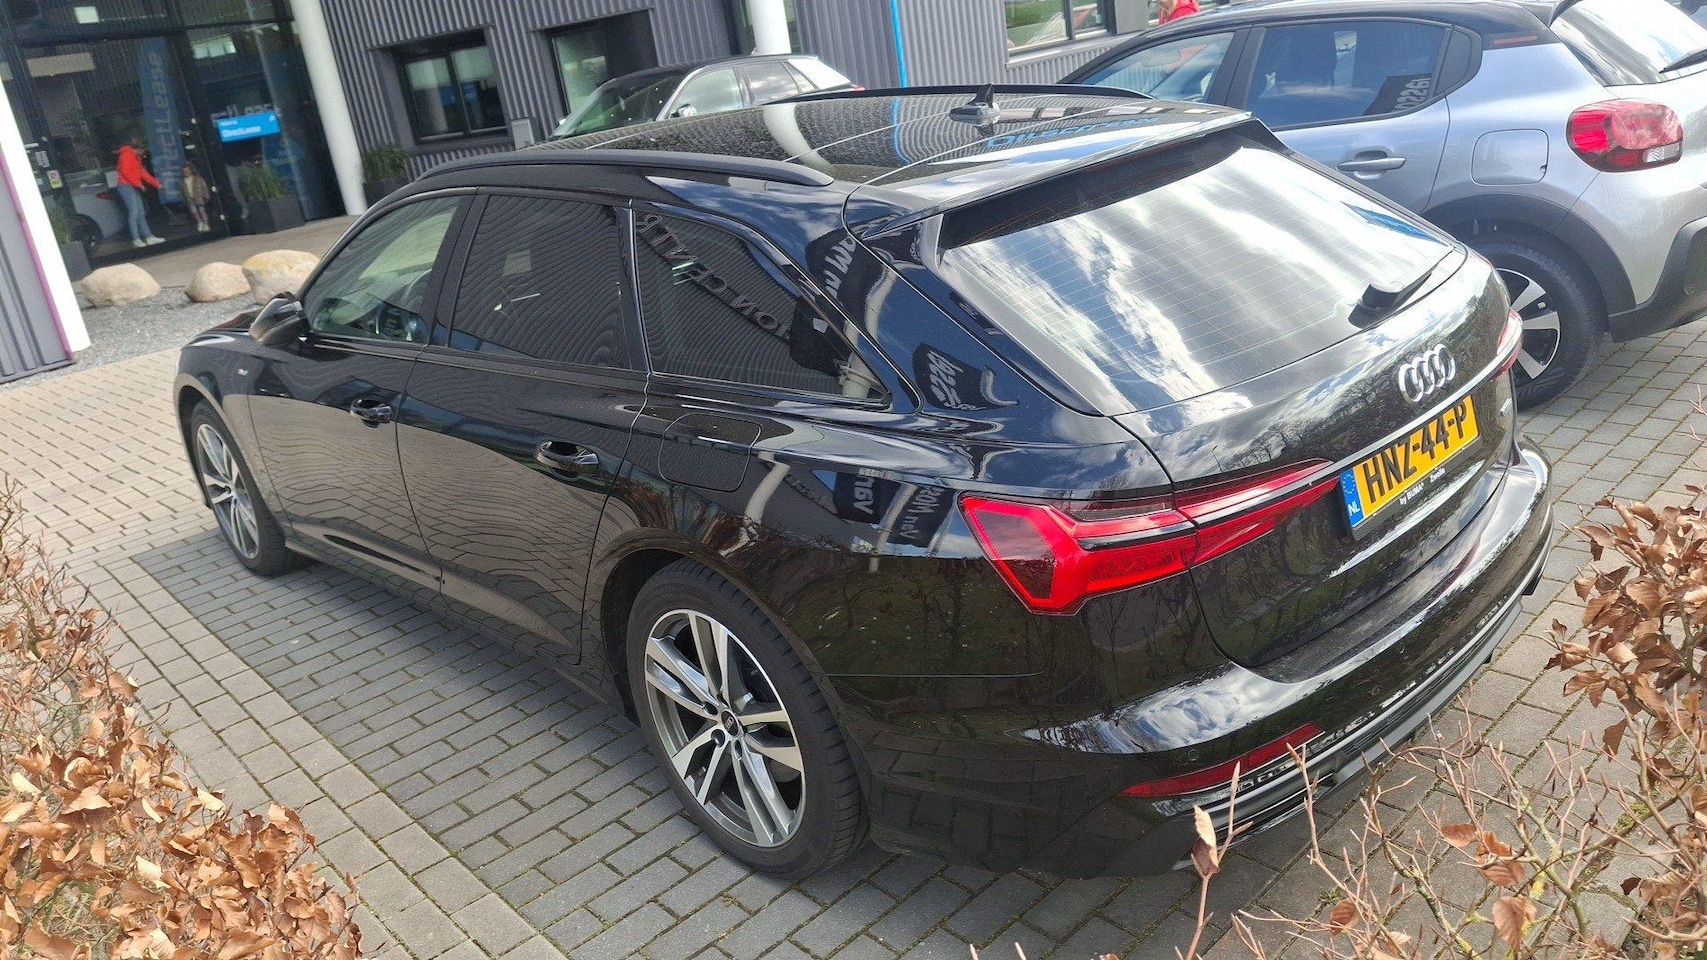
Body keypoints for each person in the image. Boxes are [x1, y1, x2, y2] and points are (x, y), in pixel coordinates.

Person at [115, 137, 164, 248]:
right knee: (134, 213)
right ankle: (136, 239)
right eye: (143, 150)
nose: (144, 153)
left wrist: (156, 184)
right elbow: (126, 172)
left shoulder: (136, 157)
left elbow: (142, 173)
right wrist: (139, 184)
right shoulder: (126, 155)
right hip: (126, 186)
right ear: (139, 149)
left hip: (130, 186)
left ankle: (148, 237)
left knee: (140, 212)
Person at [182, 163, 211, 233]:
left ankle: (206, 224)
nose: (186, 173)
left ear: (190, 171)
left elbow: (204, 187)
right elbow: (183, 191)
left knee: (202, 211)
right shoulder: (183, 181)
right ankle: (200, 222)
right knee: (194, 211)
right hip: (190, 198)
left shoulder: (198, 179)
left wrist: (205, 194)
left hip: (198, 196)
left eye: (187, 171)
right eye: (184, 172)